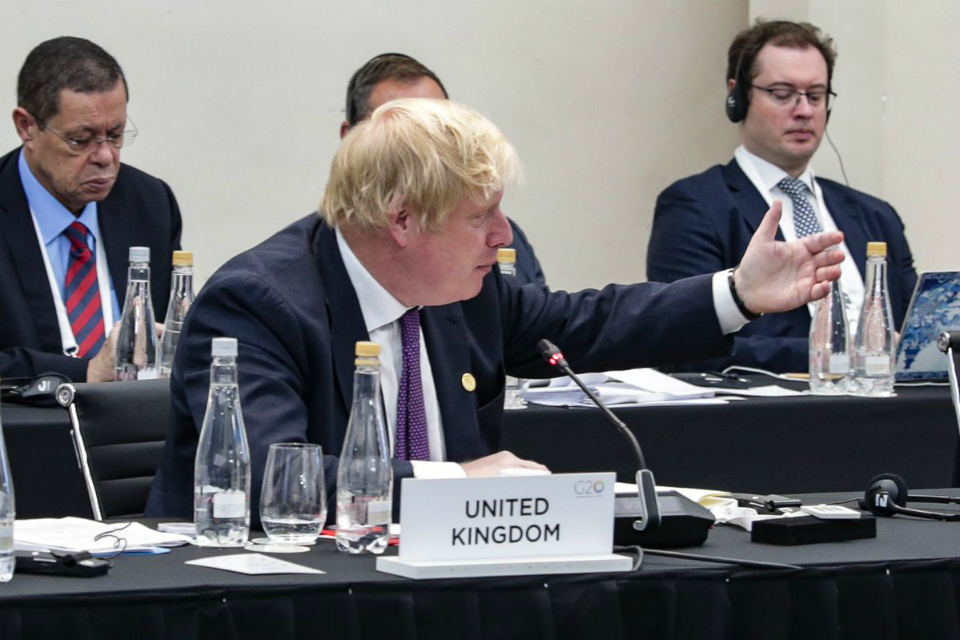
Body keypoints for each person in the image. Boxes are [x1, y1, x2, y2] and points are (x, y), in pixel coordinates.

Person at [146, 98, 843, 523]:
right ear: (402, 219)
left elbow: (588, 322)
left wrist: (739, 293)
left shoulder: (467, 294)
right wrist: (450, 482)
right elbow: (277, 477)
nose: (504, 237)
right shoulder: (258, 306)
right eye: (482, 216)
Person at [646, 20, 917, 373]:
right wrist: (838, 354)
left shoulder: (876, 215)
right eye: (783, 93)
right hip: (772, 416)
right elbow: (683, 342)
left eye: (815, 95)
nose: (804, 110)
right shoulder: (695, 206)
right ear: (737, 97)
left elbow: (917, 335)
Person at [0, 37, 182, 383]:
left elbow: (169, 340)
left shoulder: (149, 203)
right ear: (27, 127)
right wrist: (87, 372)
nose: (105, 157)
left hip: (134, 428)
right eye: (80, 140)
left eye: (114, 135)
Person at [341, 52, 547, 288]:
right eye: (405, 132)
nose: (431, 149)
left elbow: (541, 318)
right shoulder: (311, 272)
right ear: (351, 140)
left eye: (441, 130)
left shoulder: (500, 239)